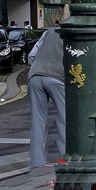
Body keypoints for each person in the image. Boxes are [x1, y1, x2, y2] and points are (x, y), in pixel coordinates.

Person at [27, 26, 66, 168]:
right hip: (57, 77)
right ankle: (65, 158)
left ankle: (36, 163)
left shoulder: (48, 32)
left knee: (37, 121)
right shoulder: (73, 32)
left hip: (35, 75)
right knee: (64, 119)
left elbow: (31, 56)